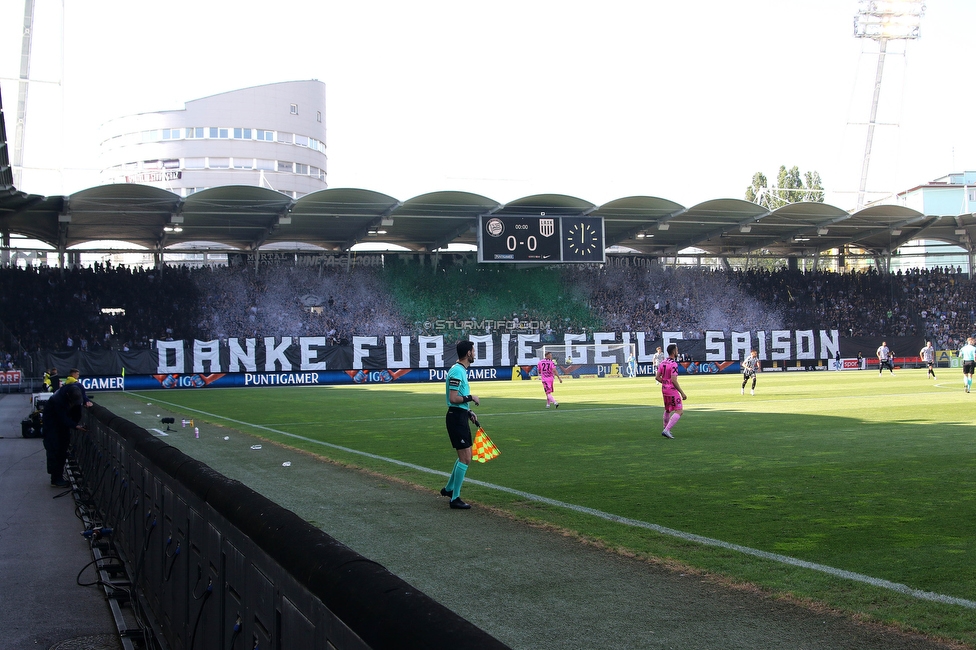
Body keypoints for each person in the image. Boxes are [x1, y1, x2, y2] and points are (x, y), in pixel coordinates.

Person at [440, 340, 480, 510]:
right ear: (468, 354)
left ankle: (449, 489)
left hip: (460, 415)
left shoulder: (461, 370)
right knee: (465, 458)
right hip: (456, 418)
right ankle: (454, 498)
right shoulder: (457, 371)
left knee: (466, 457)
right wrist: (471, 398)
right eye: (473, 351)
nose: (475, 354)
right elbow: (453, 398)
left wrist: (468, 411)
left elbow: (458, 399)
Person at [42, 383, 86, 487]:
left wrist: (86, 401)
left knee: (63, 445)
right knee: (55, 448)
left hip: (60, 422)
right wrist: (75, 426)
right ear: (68, 396)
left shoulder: (78, 389)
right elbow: (62, 418)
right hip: (52, 422)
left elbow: (77, 409)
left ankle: (58, 476)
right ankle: (56, 478)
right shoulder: (58, 401)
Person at [655, 343, 687, 439]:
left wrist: (665, 383)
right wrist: (682, 392)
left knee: (668, 409)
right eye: (676, 350)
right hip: (671, 390)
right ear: (673, 352)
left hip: (664, 390)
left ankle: (666, 428)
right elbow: (674, 380)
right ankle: (667, 430)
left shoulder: (663, 362)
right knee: (679, 411)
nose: (677, 352)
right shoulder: (673, 364)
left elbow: (657, 377)